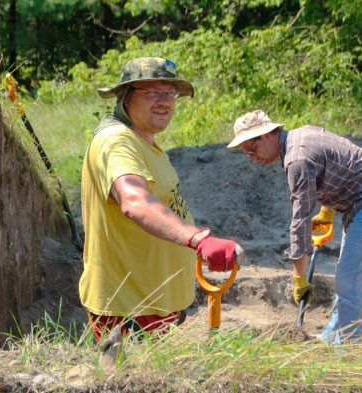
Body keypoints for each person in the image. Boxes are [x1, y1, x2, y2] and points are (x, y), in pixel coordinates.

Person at [80, 57, 245, 342]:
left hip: (154, 304)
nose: (164, 101)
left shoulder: (144, 142)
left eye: (170, 93)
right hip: (130, 310)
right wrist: (198, 240)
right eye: (153, 92)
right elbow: (135, 201)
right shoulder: (117, 142)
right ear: (127, 97)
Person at [227, 110, 362, 344]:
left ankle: (347, 354)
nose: (252, 158)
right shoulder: (302, 135)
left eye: (251, 150)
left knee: (351, 282)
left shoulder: (296, 159)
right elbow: (337, 168)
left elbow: (300, 222)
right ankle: (333, 337)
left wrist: (299, 278)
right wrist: (327, 212)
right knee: (346, 277)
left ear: (267, 135)